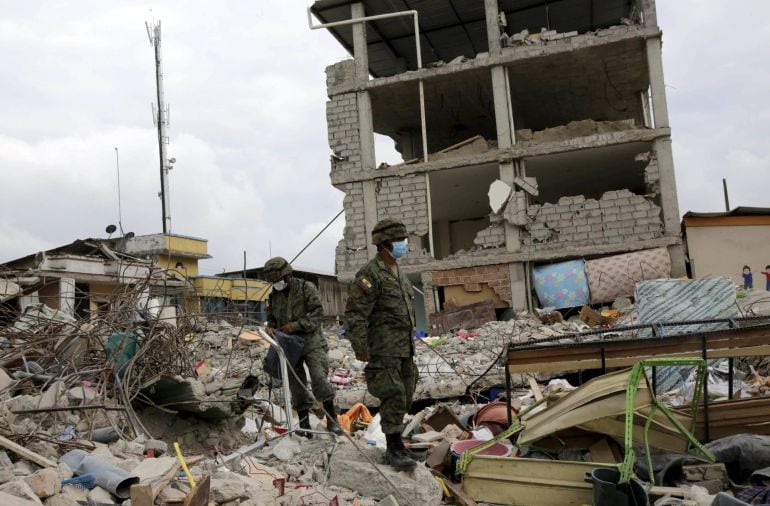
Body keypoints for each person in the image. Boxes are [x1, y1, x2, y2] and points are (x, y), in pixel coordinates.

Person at [344, 219, 418, 471]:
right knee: (393, 394)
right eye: (399, 241)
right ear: (385, 244)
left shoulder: (400, 274)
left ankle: (398, 445)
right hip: (383, 349)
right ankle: (393, 449)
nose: (404, 245)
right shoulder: (370, 274)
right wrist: (360, 345)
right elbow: (354, 314)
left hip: (405, 348)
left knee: (406, 394)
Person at [263, 256, 343, 436]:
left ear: (287, 275)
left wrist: (296, 326)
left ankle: (332, 421)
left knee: (319, 378)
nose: (276, 284)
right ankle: (304, 425)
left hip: (311, 341)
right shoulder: (274, 296)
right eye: (273, 282)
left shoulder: (307, 288)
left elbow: (317, 314)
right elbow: (273, 320)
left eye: (279, 280)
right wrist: (271, 329)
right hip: (289, 345)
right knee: (295, 384)